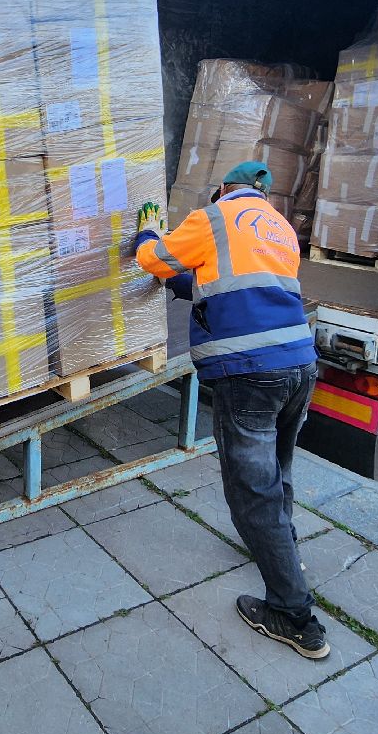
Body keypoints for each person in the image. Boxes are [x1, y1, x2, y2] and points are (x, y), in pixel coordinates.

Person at [133, 161, 328, 659]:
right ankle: (284, 552)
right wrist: (185, 284)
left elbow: (156, 259)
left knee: (251, 490)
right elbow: (240, 287)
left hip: (250, 373)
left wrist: (146, 234)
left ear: (223, 190)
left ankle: (292, 614)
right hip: (299, 365)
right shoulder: (280, 229)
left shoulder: (213, 216)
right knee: (278, 473)